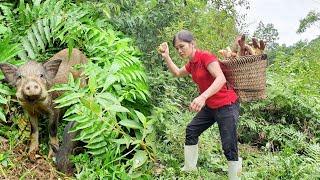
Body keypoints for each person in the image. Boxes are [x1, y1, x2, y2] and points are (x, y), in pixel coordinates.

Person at [158, 30, 242, 180]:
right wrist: (166, 56)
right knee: (191, 130)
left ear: (192, 44)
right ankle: (190, 169)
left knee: (228, 144)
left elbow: (221, 79)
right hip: (211, 106)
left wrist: (202, 97)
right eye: (177, 48)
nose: (179, 50)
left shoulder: (205, 57)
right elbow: (177, 72)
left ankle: (234, 177)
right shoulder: (192, 64)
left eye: (182, 46)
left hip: (227, 104)